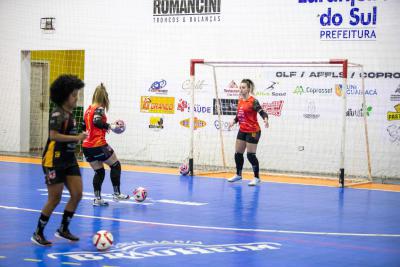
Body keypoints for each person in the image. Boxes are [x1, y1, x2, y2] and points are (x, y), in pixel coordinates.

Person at [32, 74, 87, 246]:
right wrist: (76, 138)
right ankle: (38, 233)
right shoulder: (57, 113)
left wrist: (79, 137)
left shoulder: (70, 114)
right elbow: (53, 135)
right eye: (73, 94)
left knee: (77, 194)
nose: (76, 97)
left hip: (69, 160)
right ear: (64, 95)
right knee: (54, 199)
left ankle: (63, 229)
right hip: (53, 160)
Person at [82, 83, 129, 206]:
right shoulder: (99, 108)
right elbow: (96, 121)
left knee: (99, 172)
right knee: (115, 165)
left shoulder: (88, 110)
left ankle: (97, 199)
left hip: (86, 147)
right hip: (98, 145)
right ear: (104, 97)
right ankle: (117, 194)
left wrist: (102, 128)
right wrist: (109, 126)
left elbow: (84, 126)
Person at [228, 79, 269, 186]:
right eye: (240, 87)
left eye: (243, 87)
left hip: (253, 131)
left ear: (248, 89)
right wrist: (234, 121)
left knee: (250, 155)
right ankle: (238, 175)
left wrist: (265, 119)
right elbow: (239, 115)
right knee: (238, 154)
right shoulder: (240, 100)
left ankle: (256, 177)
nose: (241, 89)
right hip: (242, 130)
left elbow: (262, 112)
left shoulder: (253, 101)